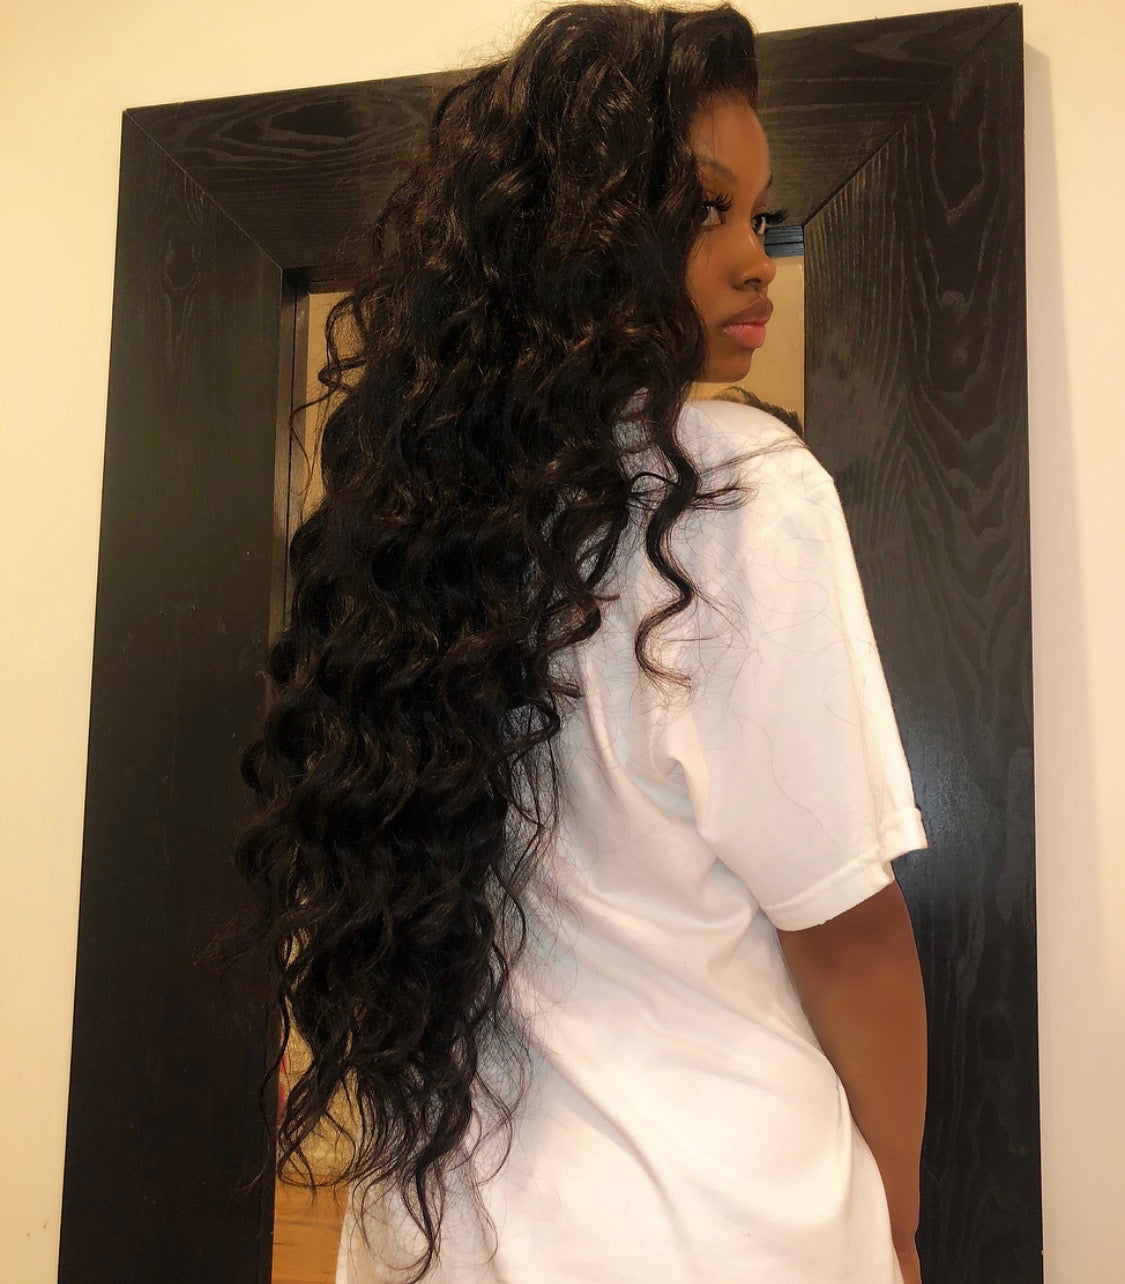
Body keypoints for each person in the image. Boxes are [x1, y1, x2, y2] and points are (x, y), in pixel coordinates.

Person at [227, 3, 930, 1281]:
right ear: (579, 233)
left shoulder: (401, 539)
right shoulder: (739, 489)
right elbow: (848, 933)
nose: (758, 259)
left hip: (433, 1229)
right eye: (705, 209)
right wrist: (901, 1226)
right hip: (721, 1227)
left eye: (758, 212)